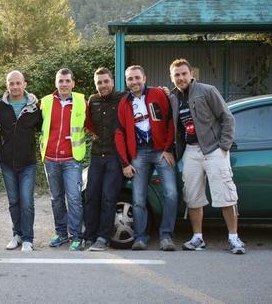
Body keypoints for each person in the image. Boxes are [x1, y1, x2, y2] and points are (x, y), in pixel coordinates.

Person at [168, 58, 245, 254]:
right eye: (176, 75)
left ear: (191, 74)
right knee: (193, 197)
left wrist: (224, 146)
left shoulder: (207, 90)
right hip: (191, 152)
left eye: (184, 73)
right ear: (172, 77)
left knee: (226, 195)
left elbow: (227, 117)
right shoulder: (173, 97)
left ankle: (234, 239)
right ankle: (197, 238)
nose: (181, 77)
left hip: (213, 150)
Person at [115, 65, 177, 251]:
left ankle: (166, 236)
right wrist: (125, 162)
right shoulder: (124, 103)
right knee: (138, 198)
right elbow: (119, 133)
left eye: (137, 78)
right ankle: (140, 237)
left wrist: (167, 148)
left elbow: (171, 121)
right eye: (130, 79)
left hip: (160, 151)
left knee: (171, 194)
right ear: (126, 82)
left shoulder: (159, 94)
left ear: (144, 78)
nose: (134, 82)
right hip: (139, 153)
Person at [0, 70, 42, 252]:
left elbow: (45, 128)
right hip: (6, 162)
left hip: (28, 162)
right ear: (7, 85)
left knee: (27, 201)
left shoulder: (35, 107)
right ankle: (17, 235)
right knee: (13, 201)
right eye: (11, 83)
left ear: (24, 84)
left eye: (18, 83)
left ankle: (28, 238)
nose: (15, 87)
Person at [40, 68, 86, 251]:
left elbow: (93, 124)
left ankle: (76, 236)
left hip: (72, 159)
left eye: (67, 81)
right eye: (61, 81)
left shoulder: (82, 101)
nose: (64, 84)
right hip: (50, 158)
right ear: (56, 83)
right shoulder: (45, 102)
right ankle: (60, 233)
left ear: (73, 83)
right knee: (56, 199)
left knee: (74, 198)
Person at [83, 67, 126, 251]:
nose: (103, 85)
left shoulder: (123, 98)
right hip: (96, 155)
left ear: (112, 82)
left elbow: (144, 94)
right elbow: (87, 122)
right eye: (99, 82)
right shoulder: (92, 100)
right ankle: (89, 236)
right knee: (91, 196)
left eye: (106, 81)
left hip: (115, 157)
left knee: (109, 198)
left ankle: (103, 238)